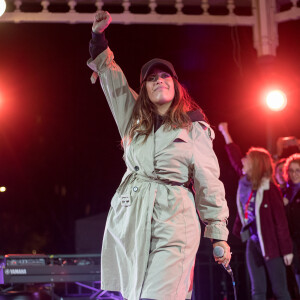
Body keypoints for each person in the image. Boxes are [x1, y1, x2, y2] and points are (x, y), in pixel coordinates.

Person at [87, 11, 231, 300]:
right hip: (133, 217)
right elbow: (113, 82)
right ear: (144, 89)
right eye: (151, 79)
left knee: (159, 295)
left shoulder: (194, 126)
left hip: (174, 218)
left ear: (176, 85)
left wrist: (218, 234)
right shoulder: (133, 119)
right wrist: (98, 38)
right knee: (138, 295)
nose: (159, 81)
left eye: (165, 76)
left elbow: (208, 180)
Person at [218, 122, 293, 300]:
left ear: (257, 164)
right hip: (252, 242)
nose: (244, 161)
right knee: (257, 290)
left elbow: (281, 223)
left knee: (279, 291)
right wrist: (225, 132)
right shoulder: (246, 182)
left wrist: (287, 250)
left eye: (248, 159)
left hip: (271, 245)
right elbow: (235, 158)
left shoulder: (270, 189)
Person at [283, 153, 300, 294]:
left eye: (298, 170)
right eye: (291, 170)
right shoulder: (284, 192)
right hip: (292, 244)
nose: (294, 174)